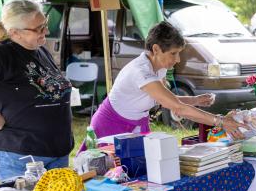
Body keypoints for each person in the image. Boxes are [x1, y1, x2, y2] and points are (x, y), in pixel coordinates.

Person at [88, 21, 246, 144]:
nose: (177, 60)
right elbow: (177, 107)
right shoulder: (141, 72)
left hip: (135, 124)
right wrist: (220, 121)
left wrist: (194, 100)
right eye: (174, 53)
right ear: (156, 49)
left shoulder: (160, 67)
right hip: (110, 126)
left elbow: (163, 99)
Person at [0, 0, 73, 180]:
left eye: (44, 24)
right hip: (21, 157)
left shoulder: (40, 50)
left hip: (58, 151)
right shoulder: (2, 55)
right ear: (15, 32)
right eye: (38, 28)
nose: (46, 30)